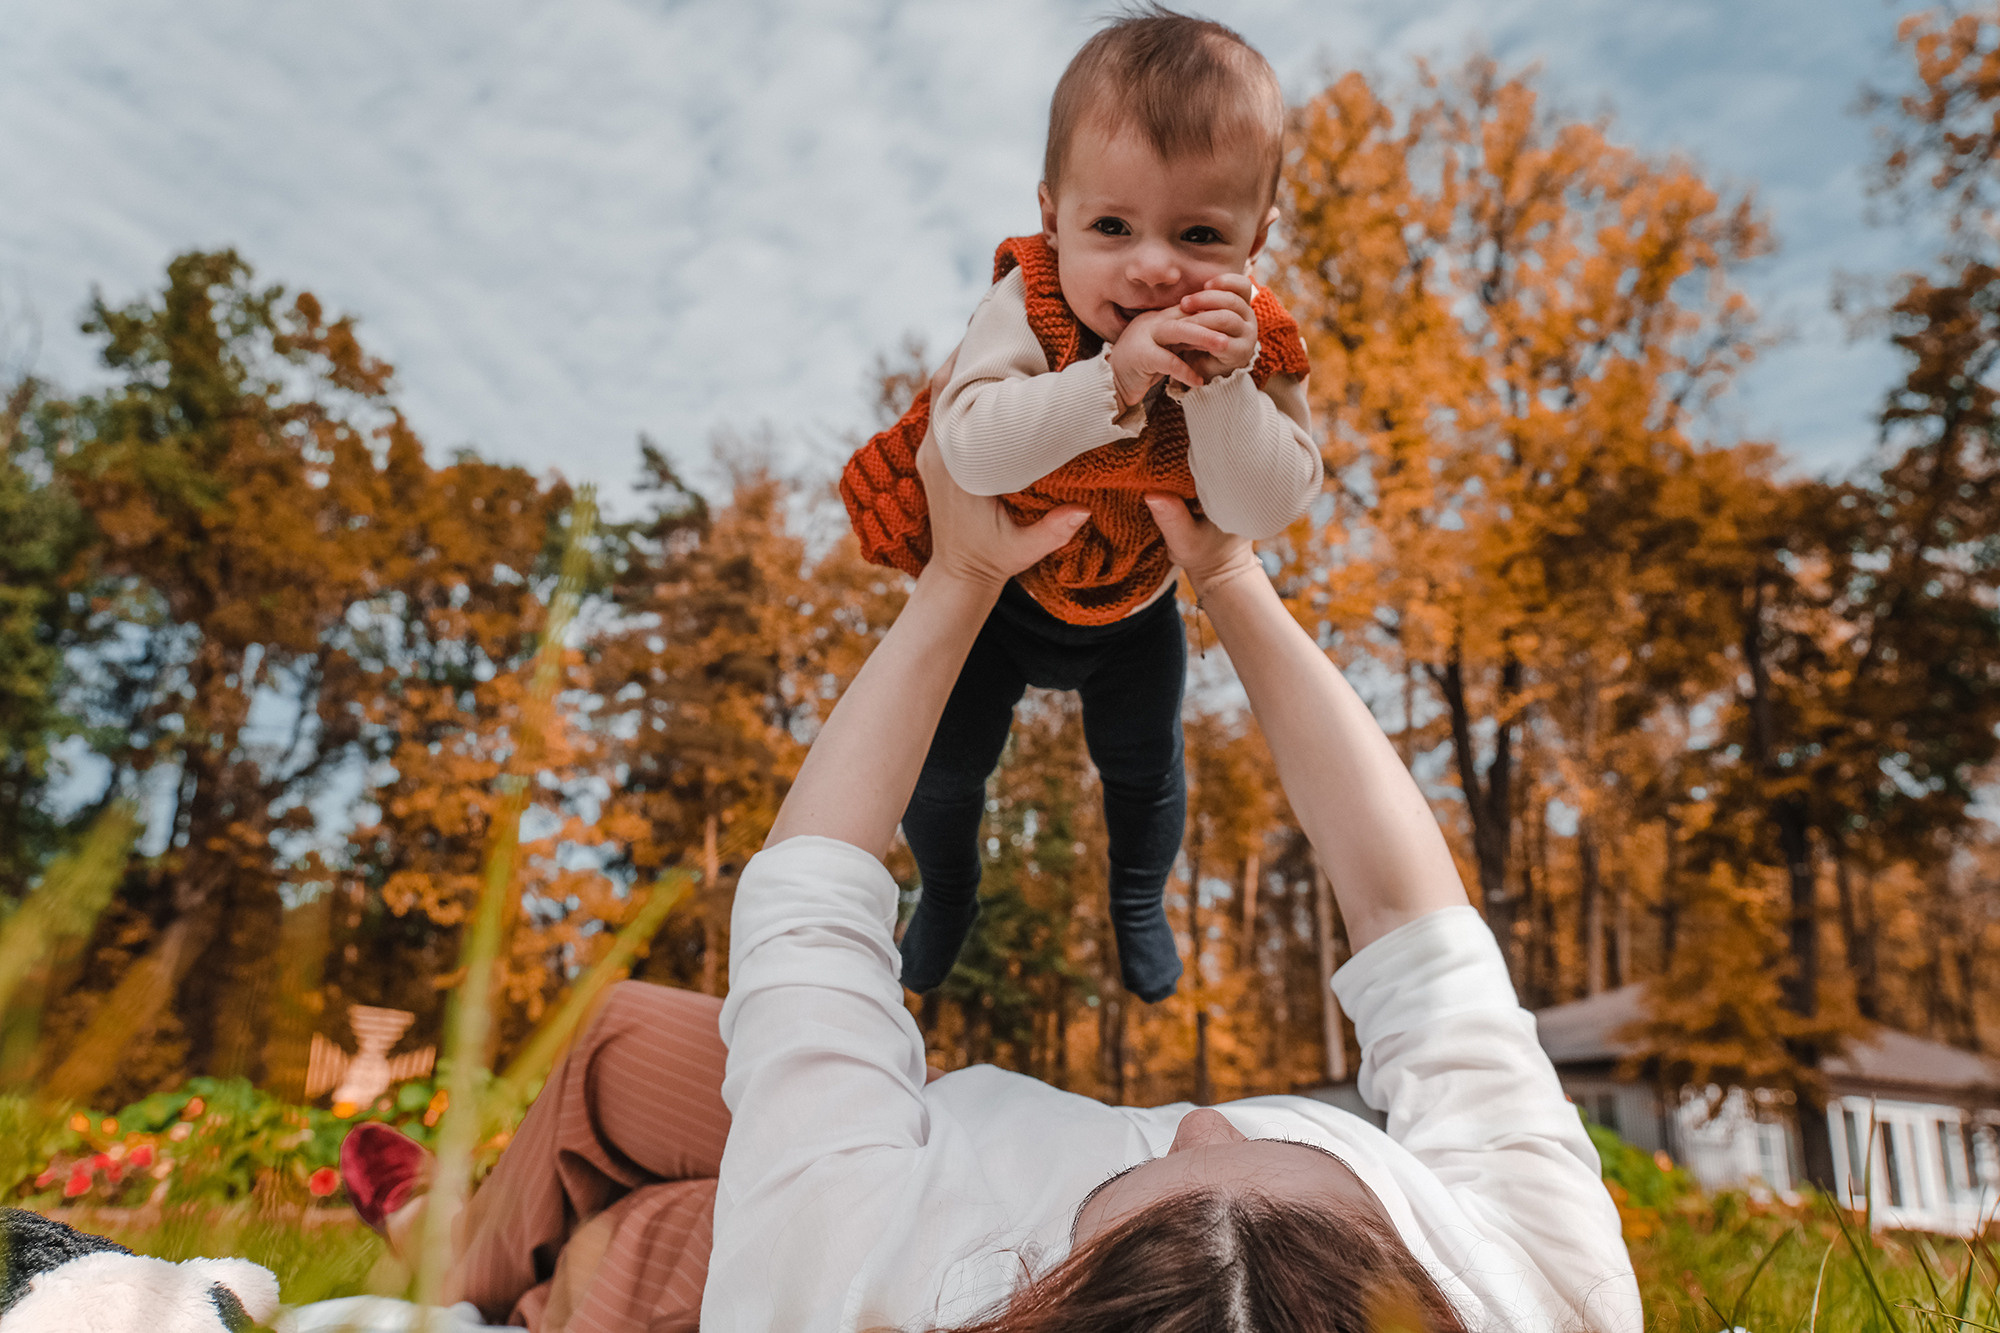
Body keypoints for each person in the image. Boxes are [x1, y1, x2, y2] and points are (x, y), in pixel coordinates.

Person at [340, 437, 1641, 1332]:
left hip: (886, 1174)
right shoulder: (1544, 1287)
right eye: (1274, 1151)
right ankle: (461, 1223)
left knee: (631, 1249)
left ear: (1039, 1294)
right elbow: (1419, 929)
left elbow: (811, 897)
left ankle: (440, 1261)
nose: (1202, 1120)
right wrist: (1232, 578)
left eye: (1153, 1183)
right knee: (625, 1041)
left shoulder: (861, 1288)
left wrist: (960, 582)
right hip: (943, 1123)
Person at [839, 6, 1323, 1003]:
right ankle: (948, 887)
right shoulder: (1032, 301)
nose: (1151, 267)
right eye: (1111, 227)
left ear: (1256, 240)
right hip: (1005, 600)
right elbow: (968, 447)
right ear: (1052, 214)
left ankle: (1137, 900)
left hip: (1133, 609)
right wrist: (1114, 383)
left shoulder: (1252, 337)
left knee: (1144, 771)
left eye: (1197, 234)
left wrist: (1223, 388)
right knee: (942, 772)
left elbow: (1262, 500)